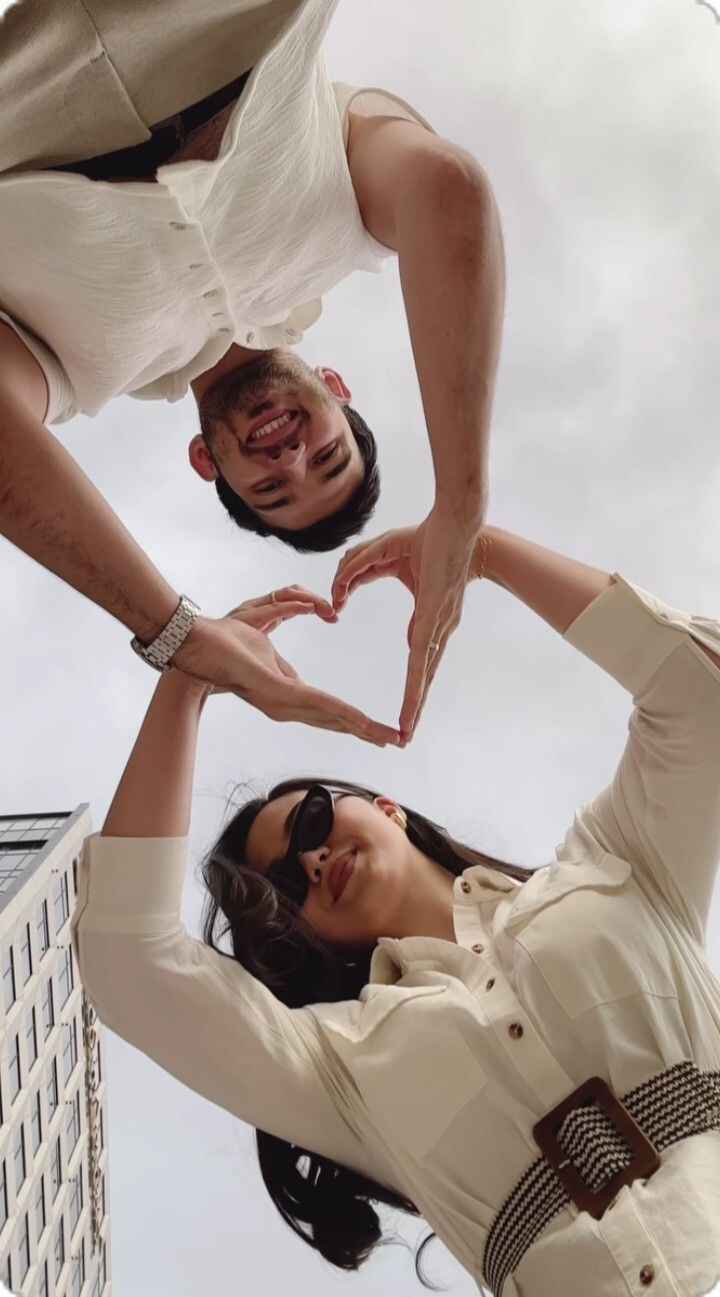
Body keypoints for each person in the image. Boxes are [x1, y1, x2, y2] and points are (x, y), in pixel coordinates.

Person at [71, 522, 720, 1296]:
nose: (310, 861)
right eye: (283, 889)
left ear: (386, 806)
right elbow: (128, 964)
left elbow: (699, 691)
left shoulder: (617, 865)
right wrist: (187, 674)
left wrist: (479, 549)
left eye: (314, 821)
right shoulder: (338, 1066)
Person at [0, 0, 504, 738]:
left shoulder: (76, 372)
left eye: (270, 487)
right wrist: (461, 504)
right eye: (329, 455)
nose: (291, 457)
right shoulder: (353, 226)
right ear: (336, 388)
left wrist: (182, 636)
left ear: (208, 462)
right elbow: (449, 189)